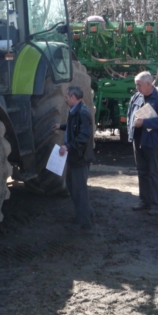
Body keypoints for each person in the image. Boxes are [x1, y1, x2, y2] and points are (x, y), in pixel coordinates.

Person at [127, 71, 158, 215]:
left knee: (153, 173)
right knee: (142, 172)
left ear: (148, 84)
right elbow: (130, 114)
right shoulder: (136, 97)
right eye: (136, 85)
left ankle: (156, 204)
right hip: (138, 139)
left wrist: (145, 123)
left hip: (152, 141)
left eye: (139, 85)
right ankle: (144, 201)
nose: (137, 88)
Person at [53, 85, 96, 230]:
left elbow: (84, 135)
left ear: (73, 97)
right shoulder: (76, 111)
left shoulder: (82, 112)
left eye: (66, 97)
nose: (65, 99)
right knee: (72, 186)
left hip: (80, 157)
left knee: (79, 190)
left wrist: (68, 146)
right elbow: (74, 127)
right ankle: (87, 214)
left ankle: (84, 223)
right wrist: (62, 126)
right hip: (75, 157)